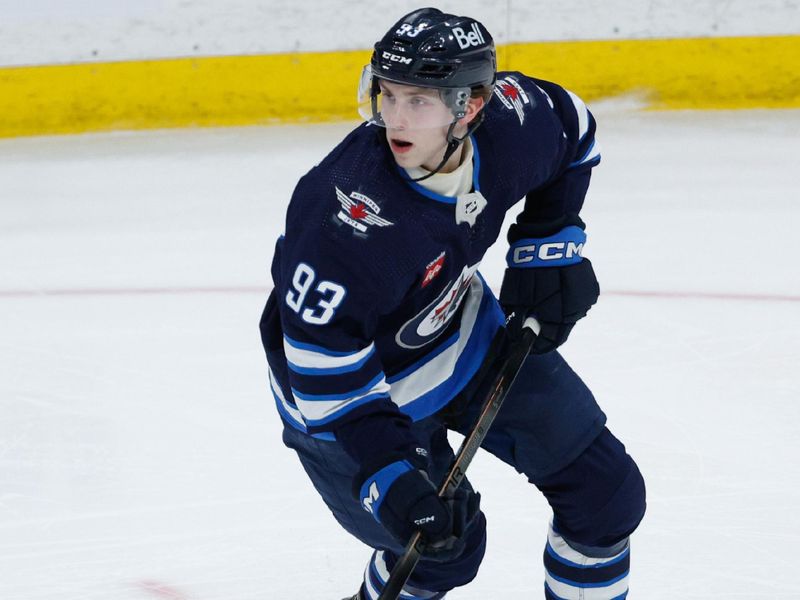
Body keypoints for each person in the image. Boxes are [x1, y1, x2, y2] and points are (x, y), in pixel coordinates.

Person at [259, 7, 646, 599]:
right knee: (442, 555)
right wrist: (388, 473)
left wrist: (551, 242)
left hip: (460, 334)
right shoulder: (344, 220)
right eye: (387, 95)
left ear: (470, 106)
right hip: (349, 402)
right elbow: (324, 374)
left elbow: (574, 125)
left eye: (419, 100)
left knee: (606, 496)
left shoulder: (511, 127)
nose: (394, 118)